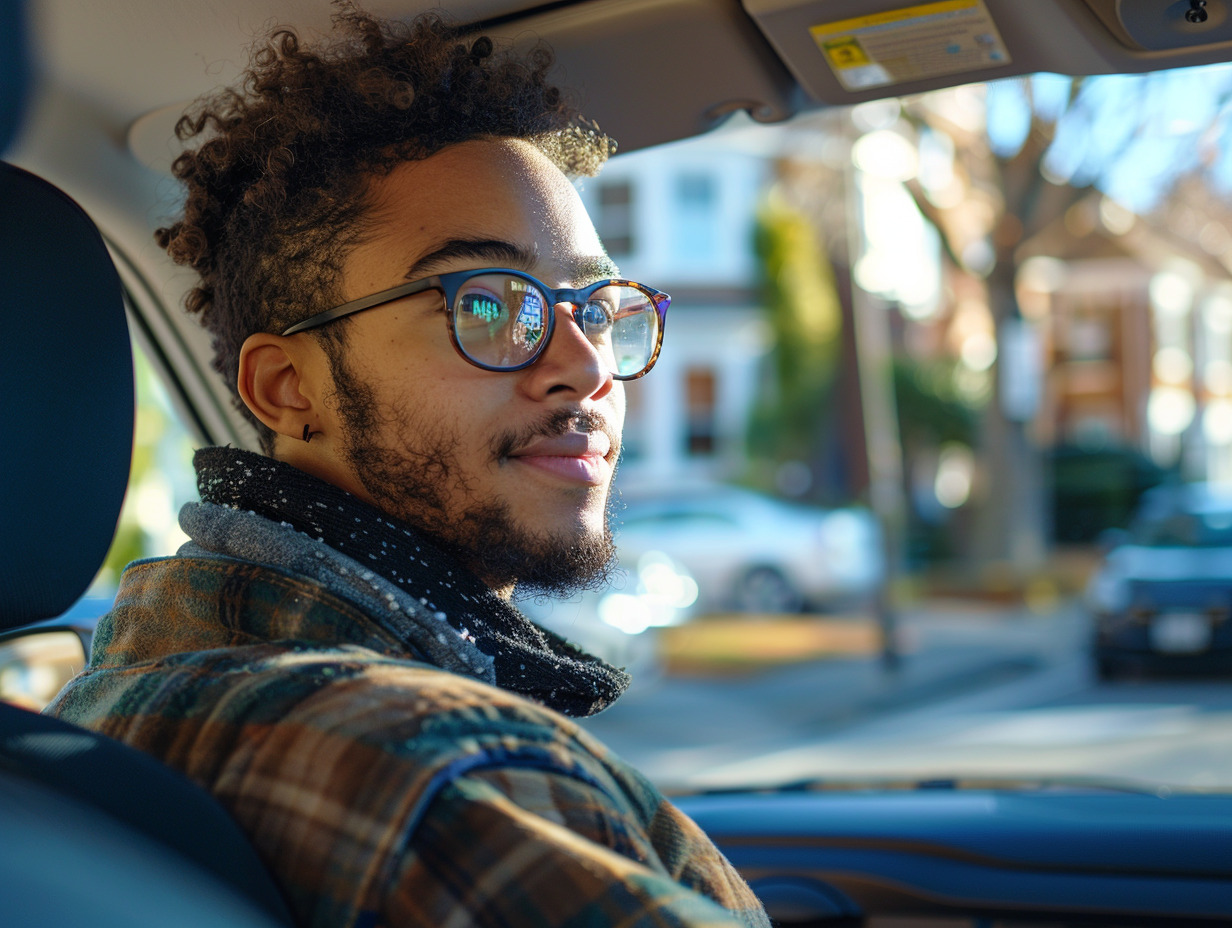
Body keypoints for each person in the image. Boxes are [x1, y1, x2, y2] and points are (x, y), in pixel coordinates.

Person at [49, 6, 768, 928]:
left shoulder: (120, 692)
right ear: (286, 387)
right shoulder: (433, 765)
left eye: (594, 307)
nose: (586, 365)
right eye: (488, 303)